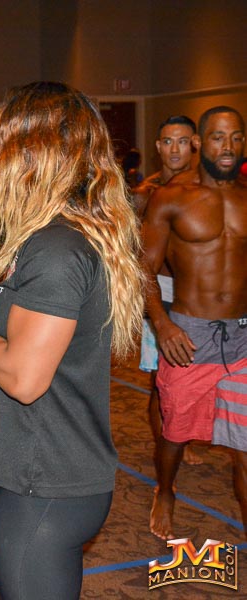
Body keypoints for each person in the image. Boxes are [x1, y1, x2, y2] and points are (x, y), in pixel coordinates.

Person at [0, 82, 143, 599]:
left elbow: (25, 380)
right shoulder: (67, 235)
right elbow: (56, 338)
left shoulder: (53, 249)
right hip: (63, 471)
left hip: (46, 482)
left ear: (36, 152)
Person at [142, 106, 247, 541]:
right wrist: (163, 325)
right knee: (175, 431)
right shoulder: (171, 198)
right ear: (201, 143)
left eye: (237, 137)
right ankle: (166, 490)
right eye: (219, 138)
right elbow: (143, 270)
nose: (229, 147)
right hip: (190, 334)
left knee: (245, 448)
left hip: (243, 337)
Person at [132, 116, 197, 451]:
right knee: (161, 379)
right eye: (168, 141)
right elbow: (132, 250)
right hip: (160, 290)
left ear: (194, 144)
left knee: (195, 373)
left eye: (182, 141)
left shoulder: (205, 189)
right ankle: (166, 450)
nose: (174, 149)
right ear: (158, 146)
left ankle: (183, 440)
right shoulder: (145, 194)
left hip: (197, 294)